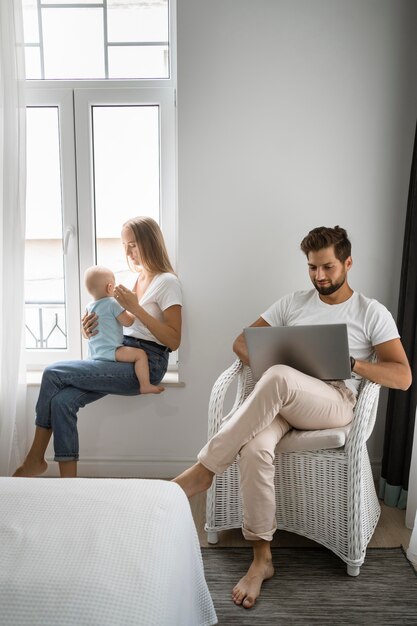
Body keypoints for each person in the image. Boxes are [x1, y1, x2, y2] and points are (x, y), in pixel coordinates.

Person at [173, 225, 412, 610]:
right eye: (312, 267)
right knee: (254, 448)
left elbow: (402, 376)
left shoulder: (371, 312)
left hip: (335, 400)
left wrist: (351, 364)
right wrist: (271, 361)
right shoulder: (292, 303)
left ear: (348, 263)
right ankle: (261, 559)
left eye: (328, 267)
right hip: (283, 399)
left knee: (279, 377)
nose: (320, 276)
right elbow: (239, 343)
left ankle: (205, 469)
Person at [14, 216, 182, 479]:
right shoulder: (138, 279)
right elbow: (125, 324)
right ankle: (68, 483)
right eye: (125, 245)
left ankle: (35, 458)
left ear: (149, 243)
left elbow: (173, 340)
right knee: (61, 401)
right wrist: (89, 329)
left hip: (147, 362)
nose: (128, 252)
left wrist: (135, 307)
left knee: (51, 373)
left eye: (133, 245)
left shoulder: (168, 282)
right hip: (121, 351)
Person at [84, 264, 164, 395]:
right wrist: (131, 306)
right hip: (111, 351)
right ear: (110, 287)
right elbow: (128, 322)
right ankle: (145, 385)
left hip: (93, 353)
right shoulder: (112, 303)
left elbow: (88, 330)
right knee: (140, 355)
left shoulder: (89, 306)